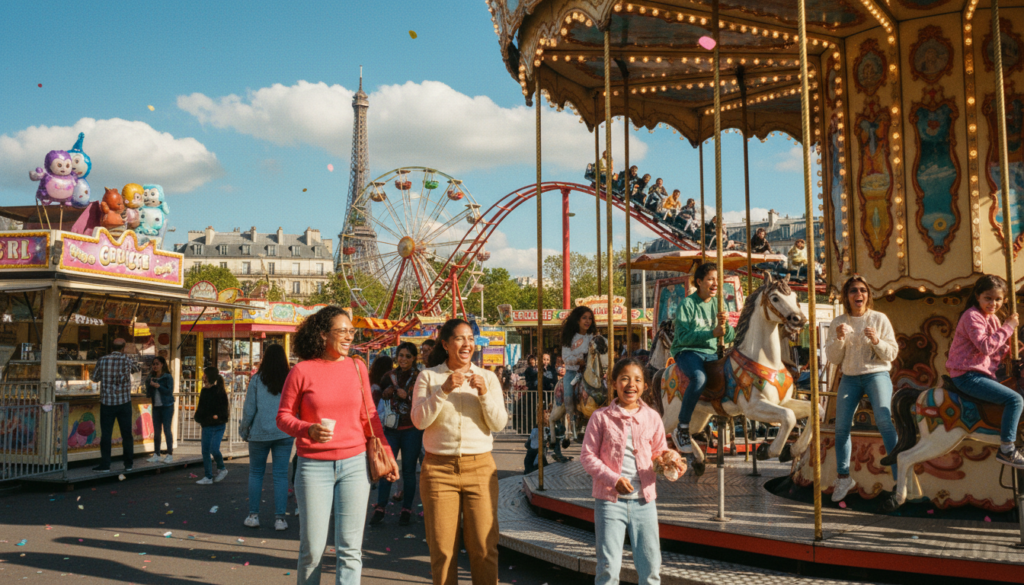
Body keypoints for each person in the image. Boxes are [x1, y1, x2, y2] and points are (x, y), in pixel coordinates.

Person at [277, 306, 397, 584]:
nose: (348, 337)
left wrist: (388, 455)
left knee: (350, 550)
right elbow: (283, 417)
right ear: (322, 335)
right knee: (312, 551)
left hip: (355, 465)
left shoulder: (357, 367)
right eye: (341, 331)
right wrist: (308, 429)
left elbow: (370, 417)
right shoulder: (301, 371)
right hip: (312, 467)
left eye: (351, 331)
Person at [412, 318, 508, 585]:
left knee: (484, 547)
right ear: (445, 343)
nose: (467, 344)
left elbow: (499, 423)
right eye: (459, 338)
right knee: (442, 550)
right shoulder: (429, 377)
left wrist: (485, 393)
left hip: (480, 469)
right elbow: (419, 421)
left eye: (470, 338)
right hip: (438, 470)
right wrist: (443, 390)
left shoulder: (488, 377)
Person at [581, 358, 685, 585]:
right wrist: (613, 479)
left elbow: (659, 451)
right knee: (608, 569)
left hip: (644, 502)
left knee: (650, 568)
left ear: (645, 386)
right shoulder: (600, 418)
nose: (631, 384)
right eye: (625, 379)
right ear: (614, 383)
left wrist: (670, 459)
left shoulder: (653, 417)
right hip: (610, 502)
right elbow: (587, 456)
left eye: (637, 379)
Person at [824, 276, 900, 502]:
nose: (859, 294)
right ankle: (844, 476)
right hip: (850, 376)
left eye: (863, 290)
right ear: (847, 297)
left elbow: (892, 353)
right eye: (853, 291)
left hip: (876, 372)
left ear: (868, 295)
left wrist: (877, 341)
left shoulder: (879, 319)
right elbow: (833, 357)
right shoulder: (839, 321)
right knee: (841, 426)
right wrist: (838, 338)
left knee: (885, 421)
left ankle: (899, 475)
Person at [946, 274, 1024, 469]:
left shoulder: (993, 320)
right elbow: (986, 347)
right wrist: (1009, 327)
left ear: (1004, 300)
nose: (993, 303)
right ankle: (1007, 449)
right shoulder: (972, 316)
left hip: (983, 374)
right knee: (1015, 400)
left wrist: (1014, 350)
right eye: (988, 298)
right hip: (967, 375)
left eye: (998, 299)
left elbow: (998, 350)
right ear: (978, 296)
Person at [670, 262, 736, 453]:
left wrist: (727, 326)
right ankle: (682, 426)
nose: (716, 283)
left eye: (718, 279)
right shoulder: (687, 304)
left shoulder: (719, 304)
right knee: (699, 378)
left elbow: (730, 337)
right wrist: (712, 333)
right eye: (710, 279)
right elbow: (682, 336)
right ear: (699, 282)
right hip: (687, 351)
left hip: (712, 353)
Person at [240, 344, 294, 530]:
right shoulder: (290, 379)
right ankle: (280, 519)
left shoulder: (256, 380)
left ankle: (253, 515)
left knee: (256, 473)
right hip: (284, 432)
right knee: (280, 475)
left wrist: (244, 429)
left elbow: (249, 409)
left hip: (259, 432)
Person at [370, 342, 424, 526]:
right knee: (386, 469)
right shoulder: (388, 376)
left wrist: (407, 397)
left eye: (408, 356)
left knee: (408, 470)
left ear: (414, 358)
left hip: (412, 430)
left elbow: (424, 402)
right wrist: (386, 393)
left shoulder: (420, 377)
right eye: (401, 355)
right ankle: (380, 507)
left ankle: (406, 509)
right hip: (391, 430)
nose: (404, 359)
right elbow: (378, 399)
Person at [90, 338, 142, 473]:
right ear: (123, 348)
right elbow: (137, 369)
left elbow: (94, 378)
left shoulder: (102, 360)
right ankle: (128, 464)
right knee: (127, 434)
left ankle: (106, 464)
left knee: (106, 434)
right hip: (124, 402)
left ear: (111, 347)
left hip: (107, 403)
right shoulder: (127, 360)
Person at [560, 306, 596, 445]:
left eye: (590, 318)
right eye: (584, 318)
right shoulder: (570, 337)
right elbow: (566, 356)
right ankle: (571, 419)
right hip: (573, 371)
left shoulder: (592, 337)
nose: (588, 321)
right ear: (577, 320)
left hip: (589, 372)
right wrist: (577, 360)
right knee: (569, 393)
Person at [194, 366, 229, 485]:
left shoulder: (219, 391)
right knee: (205, 451)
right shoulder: (204, 391)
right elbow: (201, 408)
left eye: (205, 374)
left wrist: (217, 416)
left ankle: (222, 468)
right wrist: (199, 417)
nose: (203, 376)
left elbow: (224, 410)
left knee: (213, 448)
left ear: (209, 376)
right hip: (207, 424)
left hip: (218, 425)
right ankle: (208, 476)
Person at [145, 356, 174, 464]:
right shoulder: (151, 377)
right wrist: (149, 384)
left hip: (167, 406)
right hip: (156, 406)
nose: (155, 366)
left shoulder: (167, 377)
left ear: (162, 364)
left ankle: (169, 454)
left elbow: (169, 391)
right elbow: (148, 392)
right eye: (153, 364)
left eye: (157, 364)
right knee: (156, 431)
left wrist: (158, 386)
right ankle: (156, 453)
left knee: (167, 429)